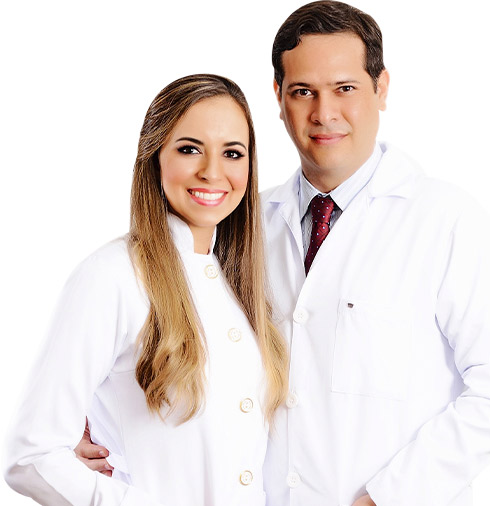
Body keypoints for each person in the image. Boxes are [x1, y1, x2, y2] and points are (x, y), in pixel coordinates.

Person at [74, 2, 490, 505]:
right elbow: (170, 348)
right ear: (278, 96)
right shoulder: (238, 225)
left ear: (381, 88)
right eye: (302, 91)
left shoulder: (448, 221)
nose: (323, 113)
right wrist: (91, 424)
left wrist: (387, 497)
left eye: (345, 88)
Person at [3, 73, 289, 506]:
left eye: (232, 153)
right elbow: (31, 456)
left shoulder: (241, 286)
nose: (213, 172)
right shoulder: (111, 276)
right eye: (189, 149)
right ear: (154, 157)